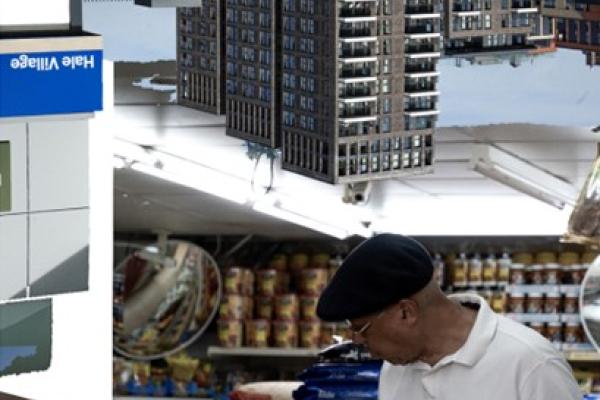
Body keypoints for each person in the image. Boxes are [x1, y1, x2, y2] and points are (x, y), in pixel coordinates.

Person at [316, 234, 582, 400]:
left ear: (406, 312)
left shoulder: (531, 364)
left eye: (363, 330)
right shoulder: (395, 371)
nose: (361, 345)